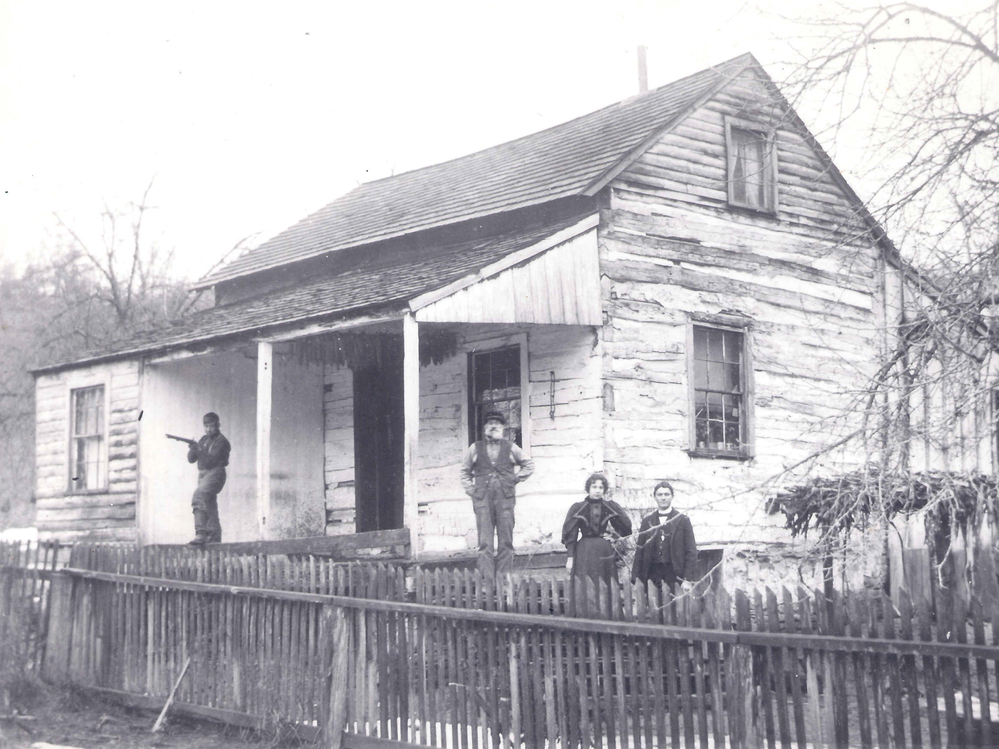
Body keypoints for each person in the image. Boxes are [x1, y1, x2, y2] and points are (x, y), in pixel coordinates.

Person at [460, 411, 535, 578]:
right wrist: (471, 490)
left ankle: (503, 579)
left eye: (498, 423)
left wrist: (515, 479)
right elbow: (464, 472)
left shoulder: (511, 448)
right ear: (485, 427)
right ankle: (487, 581)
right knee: (485, 542)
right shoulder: (475, 448)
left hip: (505, 500)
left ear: (503, 427)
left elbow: (529, 464)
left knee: (506, 541)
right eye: (490, 422)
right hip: (482, 500)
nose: (494, 425)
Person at [562, 473, 633, 588]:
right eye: (594, 487)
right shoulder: (578, 507)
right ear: (588, 489)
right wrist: (570, 558)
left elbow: (625, 528)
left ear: (604, 490)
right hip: (584, 551)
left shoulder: (610, 506)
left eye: (601, 487)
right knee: (585, 583)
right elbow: (571, 535)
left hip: (604, 550)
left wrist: (613, 537)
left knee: (605, 583)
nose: (597, 490)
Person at [631, 480, 698, 595]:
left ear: (672, 496)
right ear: (655, 497)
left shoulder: (683, 520)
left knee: (675, 609)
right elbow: (639, 550)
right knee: (654, 607)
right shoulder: (647, 521)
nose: (663, 498)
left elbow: (691, 551)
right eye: (660, 494)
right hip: (652, 573)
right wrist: (636, 578)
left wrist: (687, 579)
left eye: (666, 494)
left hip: (675, 574)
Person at [186, 412, 231, 546]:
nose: (208, 429)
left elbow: (211, 460)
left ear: (218, 425)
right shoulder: (203, 439)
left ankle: (200, 533)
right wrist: (193, 448)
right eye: (206, 426)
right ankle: (214, 538)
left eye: (211, 426)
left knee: (198, 497)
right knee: (209, 505)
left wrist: (198, 449)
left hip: (216, 473)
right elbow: (191, 459)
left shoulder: (222, 441)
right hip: (203, 474)